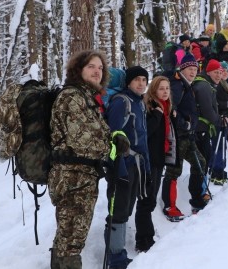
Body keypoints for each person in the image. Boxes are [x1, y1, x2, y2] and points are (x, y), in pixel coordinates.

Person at [49, 50, 129, 269]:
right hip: (73, 178)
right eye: (91, 67)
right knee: (72, 239)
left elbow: (96, 133)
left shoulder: (88, 97)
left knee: (67, 237)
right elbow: (81, 140)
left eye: (100, 68)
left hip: (81, 176)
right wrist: (111, 145)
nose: (97, 71)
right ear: (79, 70)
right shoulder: (73, 96)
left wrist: (114, 138)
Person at [104, 66, 151, 266]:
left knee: (126, 208)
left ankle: (117, 252)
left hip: (136, 165)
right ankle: (116, 257)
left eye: (144, 79)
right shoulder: (121, 102)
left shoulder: (139, 102)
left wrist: (147, 168)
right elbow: (112, 135)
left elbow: (143, 138)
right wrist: (118, 167)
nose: (141, 83)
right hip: (122, 165)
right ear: (128, 82)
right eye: (137, 79)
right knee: (119, 209)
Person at [161, 53, 209, 220]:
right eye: (189, 69)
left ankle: (196, 200)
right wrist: (184, 123)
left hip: (187, 135)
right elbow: (171, 109)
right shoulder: (177, 85)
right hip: (178, 135)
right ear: (182, 69)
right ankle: (170, 207)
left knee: (200, 163)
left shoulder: (185, 84)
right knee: (174, 170)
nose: (193, 72)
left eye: (195, 69)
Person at [140, 76, 177, 250]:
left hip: (159, 159)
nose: (165, 92)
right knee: (147, 200)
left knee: (151, 198)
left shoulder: (166, 108)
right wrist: (157, 115)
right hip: (149, 160)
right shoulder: (151, 108)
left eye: (167, 88)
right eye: (161, 88)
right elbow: (146, 132)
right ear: (153, 90)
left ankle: (146, 236)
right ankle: (144, 240)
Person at [192, 59, 228, 196]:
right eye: (215, 72)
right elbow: (207, 111)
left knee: (204, 161)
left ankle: (201, 192)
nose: (218, 75)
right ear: (208, 72)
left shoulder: (207, 84)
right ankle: (199, 194)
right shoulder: (204, 86)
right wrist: (219, 120)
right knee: (202, 162)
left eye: (220, 72)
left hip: (202, 128)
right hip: (200, 129)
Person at [211, 61, 228, 185]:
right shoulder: (218, 85)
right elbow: (216, 103)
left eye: (227, 71)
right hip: (219, 119)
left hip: (225, 119)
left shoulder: (225, 84)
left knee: (222, 145)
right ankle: (216, 171)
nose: (225, 73)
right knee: (218, 146)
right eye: (222, 71)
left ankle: (220, 170)